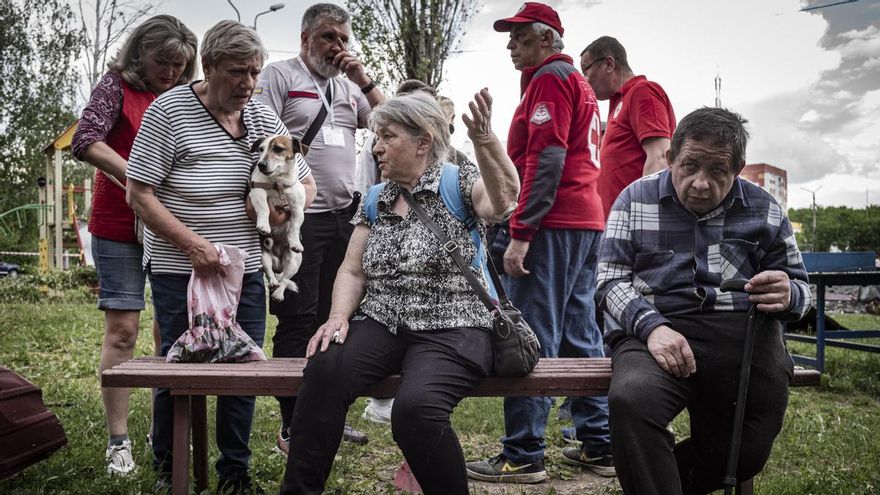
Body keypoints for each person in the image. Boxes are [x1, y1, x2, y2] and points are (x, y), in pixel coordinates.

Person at [280, 89, 519, 495]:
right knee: (324, 372)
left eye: (387, 137)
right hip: (384, 319)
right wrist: (338, 317)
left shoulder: (457, 183)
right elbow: (353, 270)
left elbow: (504, 200)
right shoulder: (377, 198)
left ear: (423, 142)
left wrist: (484, 140)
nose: (376, 148)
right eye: (376, 137)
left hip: (455, 324)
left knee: (416, 410)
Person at [126, 20, 316, 493]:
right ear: (208, 67)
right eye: (237, 72)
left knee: (244, 370)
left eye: (255, 72)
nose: (249, 84)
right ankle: (170, 470)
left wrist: (282, 214)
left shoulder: (261, 117)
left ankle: (236, 473)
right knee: (180, 367)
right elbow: (139, 193)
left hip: (247, 267)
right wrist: (192, 246)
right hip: (179, 269)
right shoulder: (168, 112)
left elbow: (306, 184)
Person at [596, 107, 811, 494]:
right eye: (690, 166)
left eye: (717, 172)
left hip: (741, 333)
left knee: (747, 447)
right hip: (653, 330)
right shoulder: (633, 199)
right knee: (632, 401)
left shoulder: (764, 207)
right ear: (671, 157)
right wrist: (652, 328)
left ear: (738, 168)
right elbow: (609, 282)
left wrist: (788, 293)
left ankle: (665, 480)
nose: (700, 183)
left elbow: (801, 290)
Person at [466, 2, 613, 484]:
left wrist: (522, 235)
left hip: (553, 224)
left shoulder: (551, 78)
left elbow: (546, 161)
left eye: (519, 37)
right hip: (585, 220)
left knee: (531, 335)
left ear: (547, 39)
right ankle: (599, 443)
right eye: (510, 38)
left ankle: (524, 453)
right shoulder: (578, 82)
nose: (510, 45)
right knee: (580, 334)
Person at [252, 2, 384, 452]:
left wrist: (362, 78)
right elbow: (257, 137)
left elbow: (391, 121)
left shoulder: (349, 87)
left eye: (344, 39)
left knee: (338, 316)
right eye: (329, 37)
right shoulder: (279, 75)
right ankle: (294, 424)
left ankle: (327, 414)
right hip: (297, 218)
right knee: (297, 316)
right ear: (305, 37)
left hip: (344, 218)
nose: (337, 47)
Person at [70, 14, 197, 477]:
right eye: (163, 61)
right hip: (119, 223)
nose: (170, 72)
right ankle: (118, 441)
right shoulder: (116, 86)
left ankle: (162, 433)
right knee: (123, 330)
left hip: (170, 226)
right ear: (139, 51)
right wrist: (134, 172)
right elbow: (86, 141)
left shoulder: (187, 96)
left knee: (171, 332)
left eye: (180, 65)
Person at [580, 36, 676, 219]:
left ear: (609, 64)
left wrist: (644, 220)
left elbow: (660, 156)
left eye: (586, 70)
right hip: (614, 222)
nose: (585, 80)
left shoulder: (643, 92)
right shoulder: (620, 102)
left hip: (633, 224)